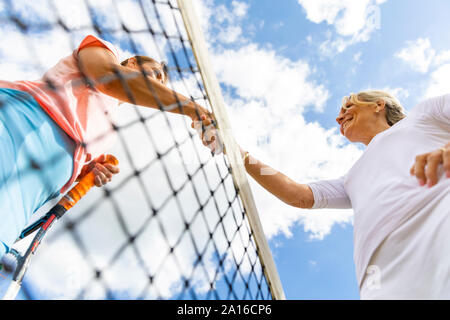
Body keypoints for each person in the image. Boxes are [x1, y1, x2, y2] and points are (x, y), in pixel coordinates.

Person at [0, 34, 215, 260]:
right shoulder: (105, 51)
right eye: (156, 74)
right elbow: (108, 77)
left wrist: (86, 170)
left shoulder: (109, 130)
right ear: (132, 62)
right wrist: (194, 109)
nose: (157, 84)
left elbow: (66, 155)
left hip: (30, 194)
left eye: (161, 83)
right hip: (16, 125)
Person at [236, 90, 450, 299]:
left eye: (348, 106)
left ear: (378, 105)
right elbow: (296, 194)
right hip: (385, 282)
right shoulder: (350, 179)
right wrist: (240, 155)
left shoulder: (424, 115)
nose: (339, 117)